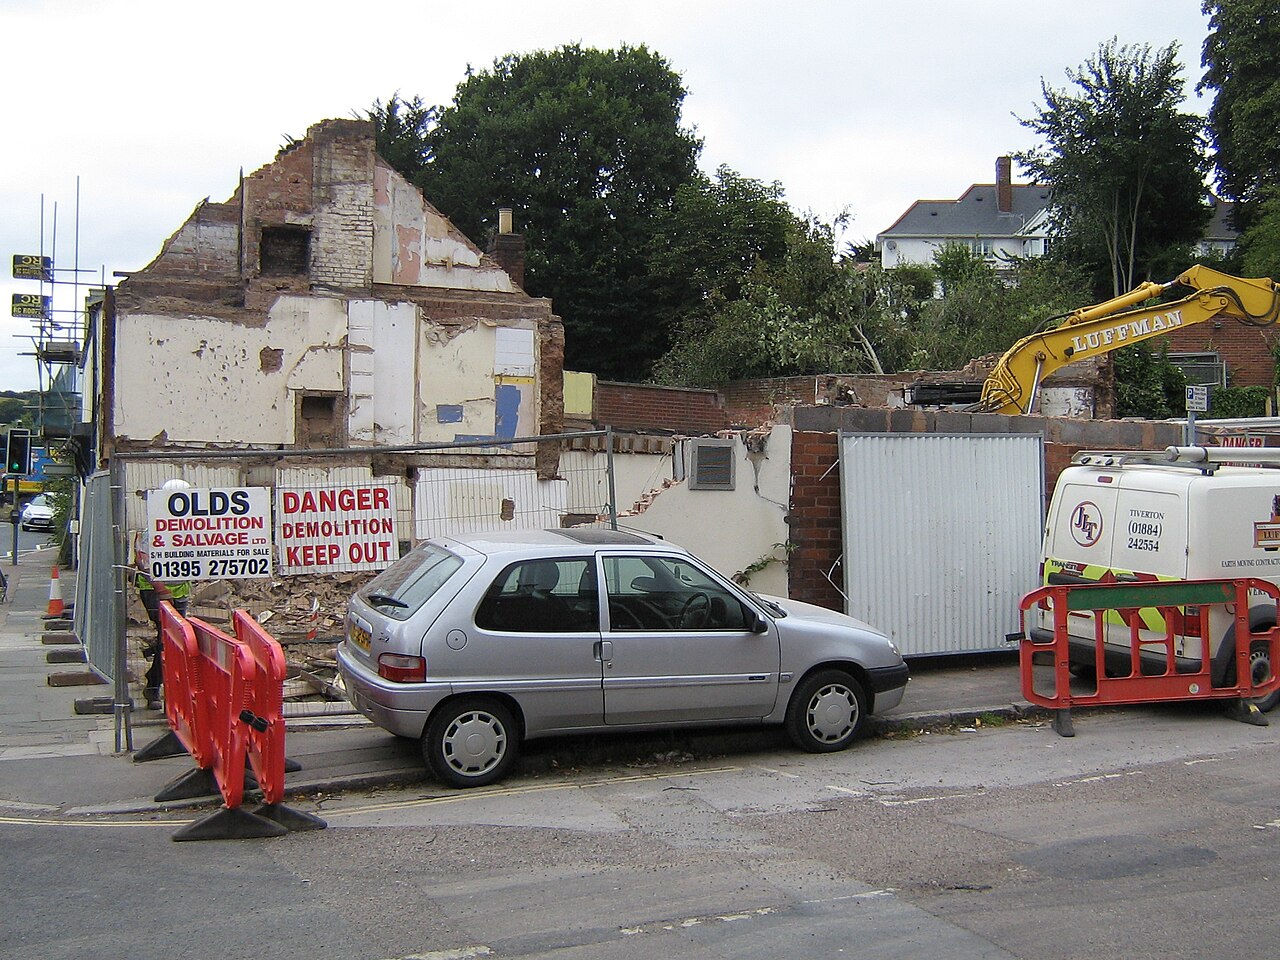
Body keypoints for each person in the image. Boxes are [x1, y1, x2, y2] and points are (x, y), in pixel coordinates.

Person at [136, 479, 193, 710]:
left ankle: (160, 686)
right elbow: (143, 562)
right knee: (167, 641)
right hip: (156, 592)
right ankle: (157, 688)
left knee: (171, 641)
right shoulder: (153, 530)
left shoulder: (190, 527)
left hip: (179, 590)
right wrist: (162, 591)